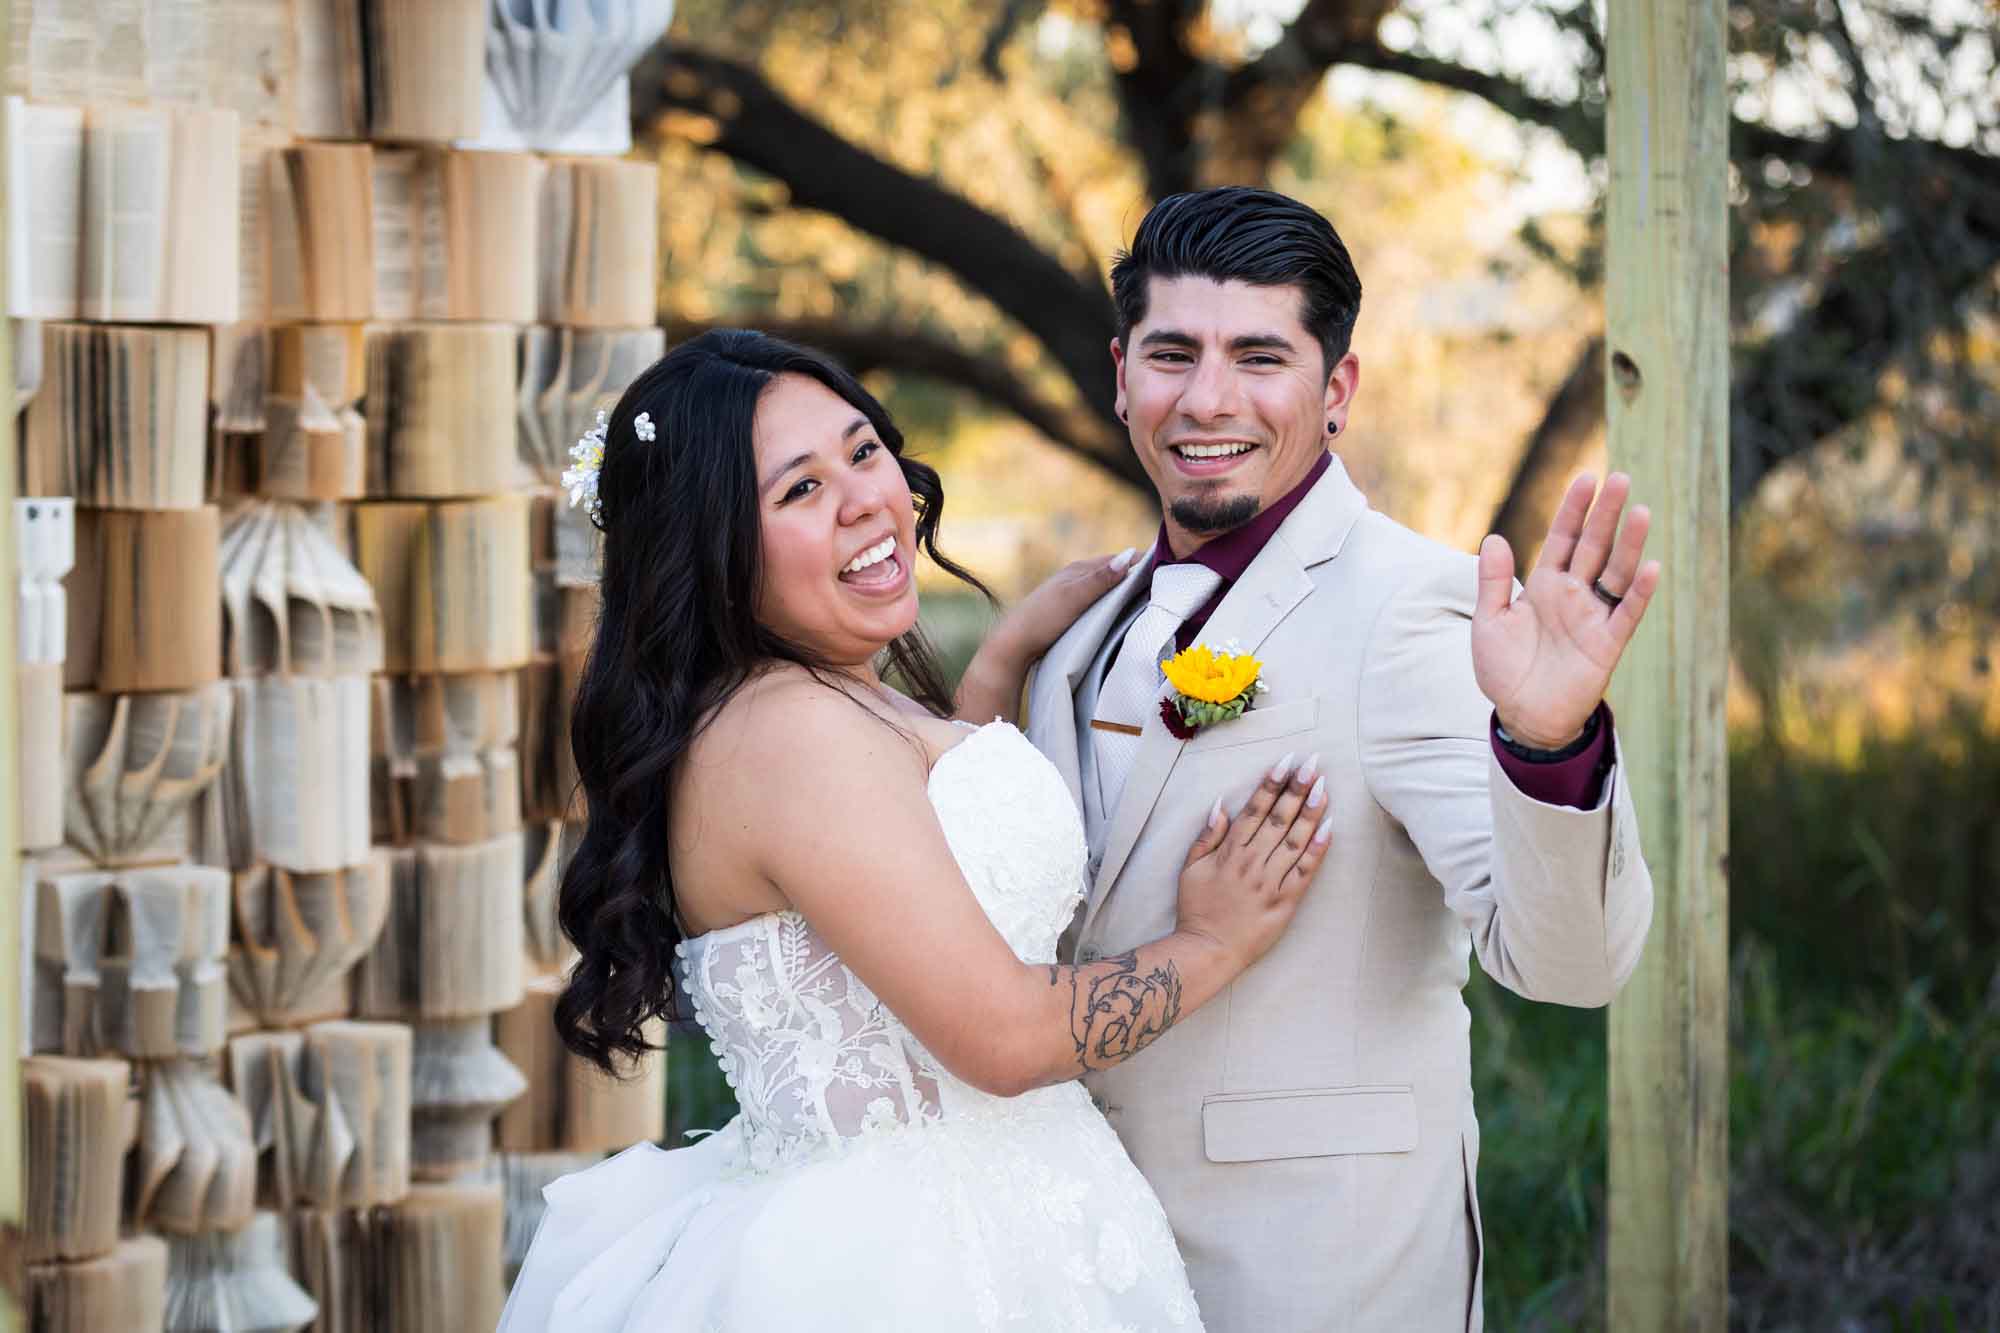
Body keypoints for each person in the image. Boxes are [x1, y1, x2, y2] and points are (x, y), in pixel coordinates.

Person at [498, 329, 1335, 1331]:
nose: (864, 498)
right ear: (709, 548)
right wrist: (1211, 942)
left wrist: (997, 668)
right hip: (911, 1261)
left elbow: (921, 863)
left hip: (995, 1212)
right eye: (797, 491)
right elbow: (1002, 1035)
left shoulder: (823, 702)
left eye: (861, 450)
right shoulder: (785, 732)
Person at [1021, 186, 1659, 1331]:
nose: (1205, 398)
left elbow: (1568, 964)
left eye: (1258, 357)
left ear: (1337, 390)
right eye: (1172, 353)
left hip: (1311, 1273)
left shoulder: (1408, 608)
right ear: (1122, 375)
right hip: (1072, 1261)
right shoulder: (1086, 620)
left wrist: (1547, 741)